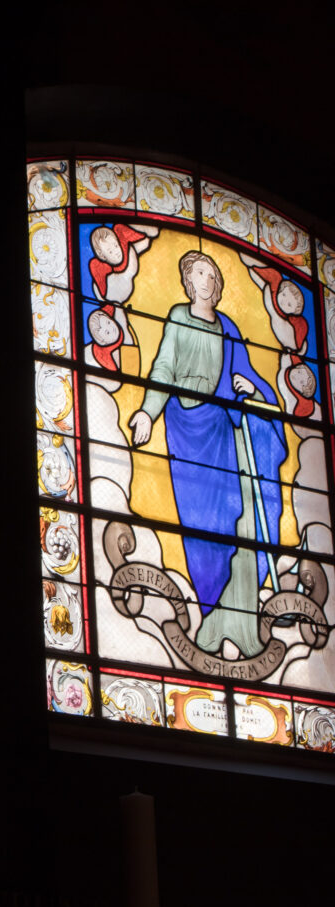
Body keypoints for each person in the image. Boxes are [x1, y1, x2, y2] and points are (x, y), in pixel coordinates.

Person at [128, 251, 288, 657]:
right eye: (200, 273)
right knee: (201, 528)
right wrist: (147, 412)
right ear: (188, 281)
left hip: (223, 430)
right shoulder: (178, 318)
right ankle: (210, 623)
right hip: (187, 431)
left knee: (242, 523)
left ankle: (244, 627)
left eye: (213, 275)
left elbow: (248, 377)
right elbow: (163, 369)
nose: (207, 280)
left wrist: (252, 390)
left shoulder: (229, 327)